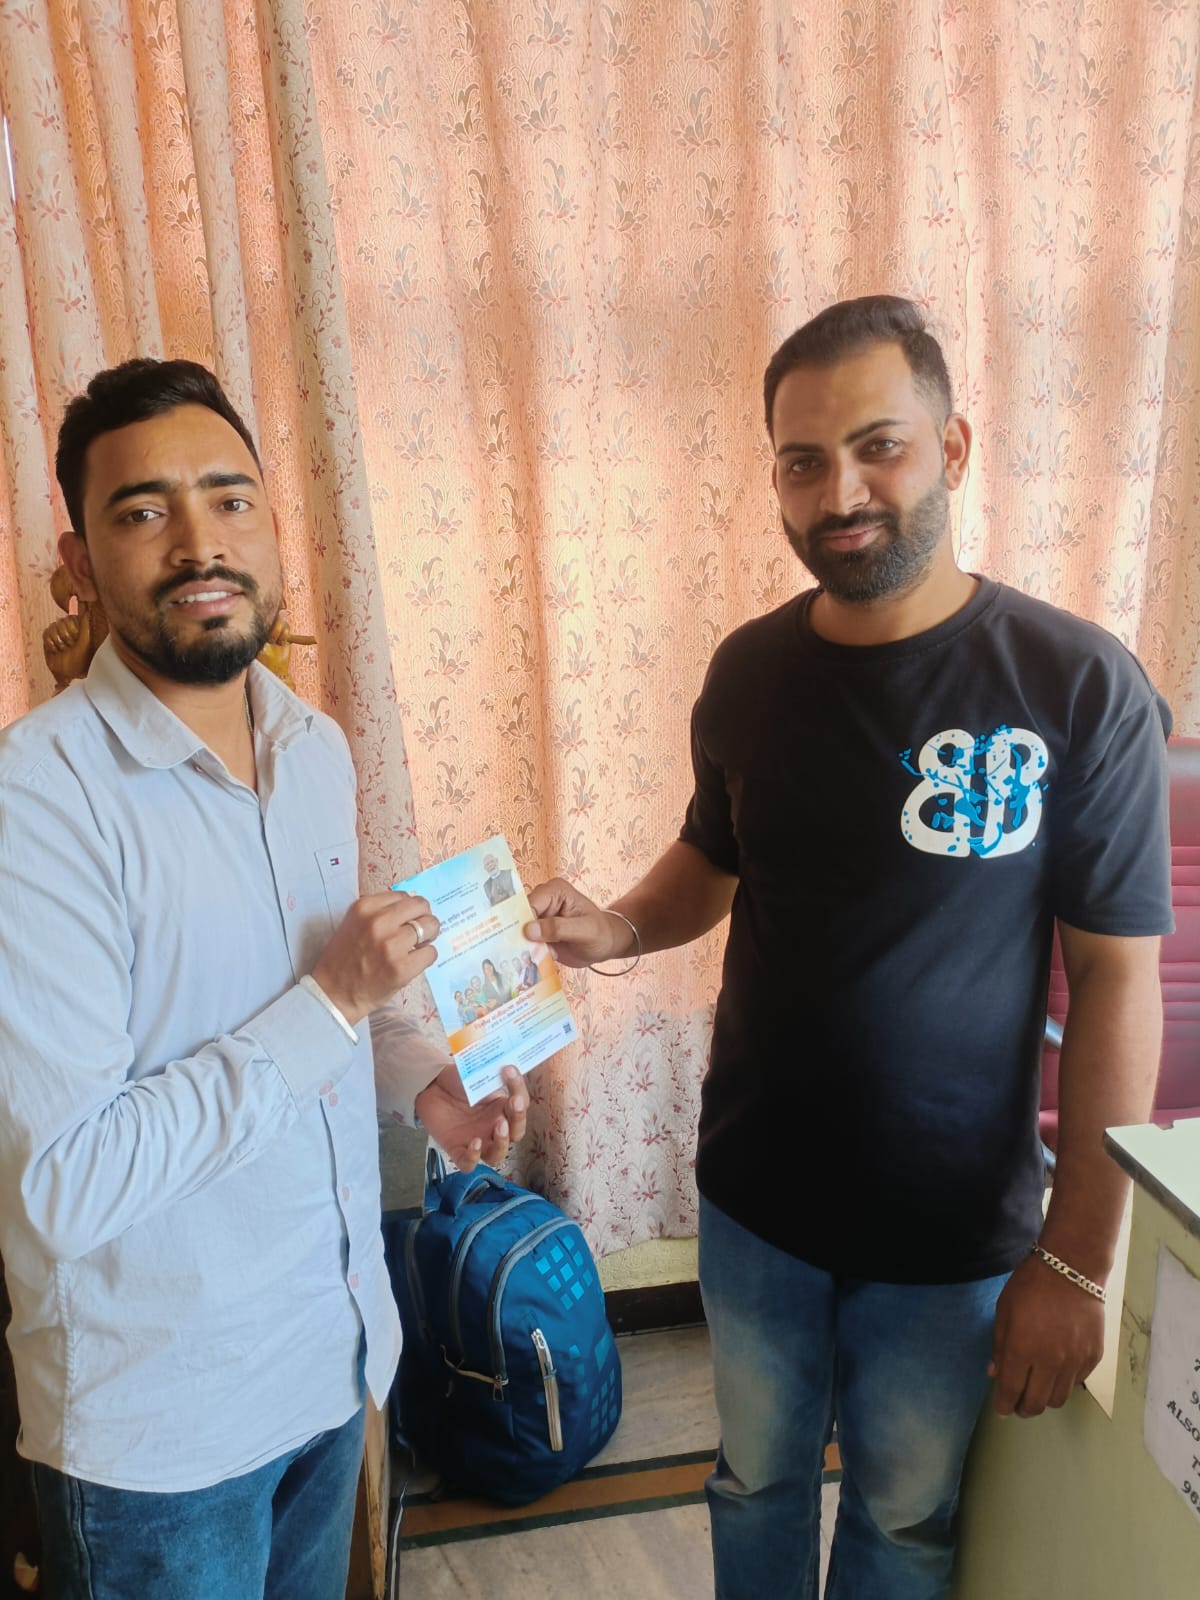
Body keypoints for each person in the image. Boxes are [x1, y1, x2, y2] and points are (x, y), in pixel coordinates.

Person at [526, 296, 1172, 1600]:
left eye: (879, 447)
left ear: (953, 447)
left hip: (952, 1229)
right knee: (754, 1480)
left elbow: (1118, 978)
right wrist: (618, 925)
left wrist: (1076, 1259)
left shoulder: (1074, 684)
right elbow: (713, 857)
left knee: (905, 1516)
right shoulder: (749, 674)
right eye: (804, 460)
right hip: (756, 1199)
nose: (842, 492)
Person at [0, 358, 528, 1600]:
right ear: (79, 562)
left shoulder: (313, 745)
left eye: (230, 498)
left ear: (274, 527)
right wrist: (333, 1000)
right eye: (144, 510)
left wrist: (422, 1084)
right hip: (163, 1436)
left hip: (330, 1359)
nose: (200, 542)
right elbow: (62, 1184)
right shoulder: (38, 800)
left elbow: (328, 1003)